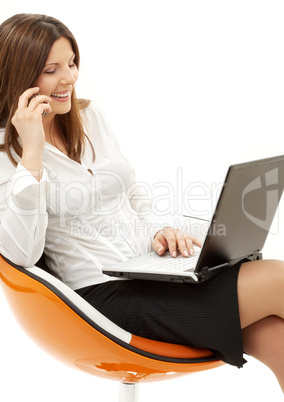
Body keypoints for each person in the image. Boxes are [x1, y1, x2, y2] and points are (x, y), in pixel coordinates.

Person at [0, 13, 283, 392]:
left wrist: (159, 231)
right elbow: (19, 253)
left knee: (276, 339)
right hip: (99, 302)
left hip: (150, 270)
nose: (69, 78)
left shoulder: (89, 116)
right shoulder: (8, 154)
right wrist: (31, 152)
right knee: (279, 279)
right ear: (19, 76)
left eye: (71, 63)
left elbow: (131, 194)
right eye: (51, 69)